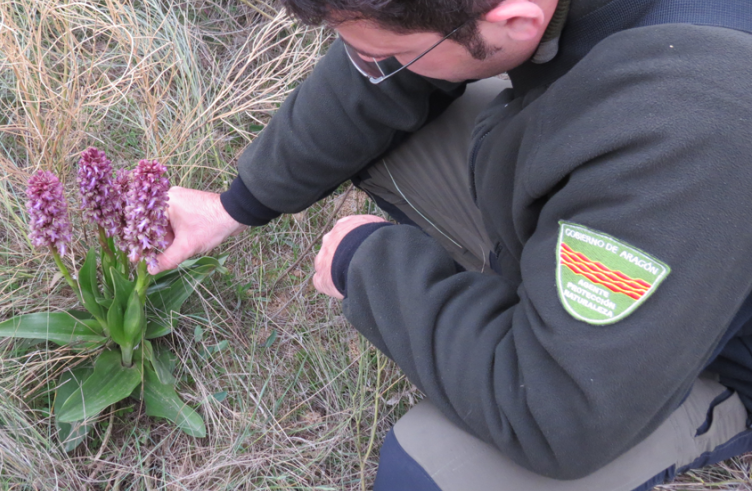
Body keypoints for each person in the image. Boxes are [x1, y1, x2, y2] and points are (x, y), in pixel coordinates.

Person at [152, 0, 752, 489]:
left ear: (517, 21)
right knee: (390, 126)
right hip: (651, 186)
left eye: (388, 58)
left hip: (715, 339)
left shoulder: (687, 131)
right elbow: (395, 40)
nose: (372, 67)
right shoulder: (487, 17)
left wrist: (370, 264)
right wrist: (237, 205)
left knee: (431, 472)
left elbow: (556, 416)